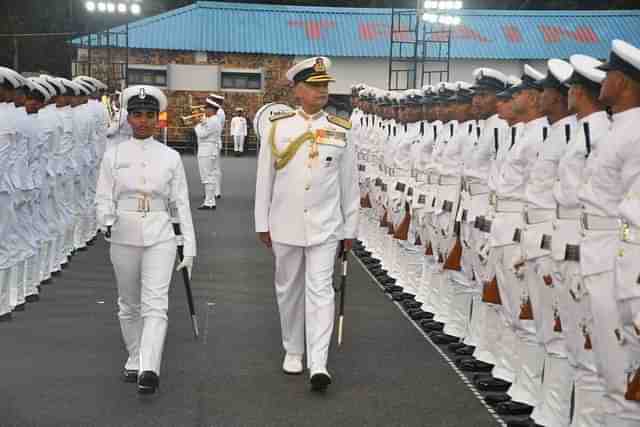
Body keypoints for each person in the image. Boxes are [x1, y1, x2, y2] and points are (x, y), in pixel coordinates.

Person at [254, 56, 359, 391]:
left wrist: (350, 229)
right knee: (288, 289)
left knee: (321, 291)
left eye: (325, 86)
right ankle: (293, 349)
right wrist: (261, 221)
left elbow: (349, 185)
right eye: (314, 87)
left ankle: (319, 362)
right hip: (284, 222)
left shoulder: (342, 131)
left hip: (326, 226)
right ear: (297, 89)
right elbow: (264, 179)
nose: (322, 92)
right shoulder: (278, 128)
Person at [96, 85, 196, 395]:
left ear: (158, 118)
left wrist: (189, 245)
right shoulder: (113, 155)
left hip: (160, 233)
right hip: (124, 232)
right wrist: (106, 220)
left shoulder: (170, 157)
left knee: (156, 304)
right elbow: (103, 196)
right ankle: (135, 355)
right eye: (137, 115)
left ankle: (150, 367)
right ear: (128, 117)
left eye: (149, 115)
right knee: (129, 303)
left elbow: (181, 203)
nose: (142, 121)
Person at [194, 96, 222, 210]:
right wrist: (202, 123)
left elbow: (201, 134)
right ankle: (210, 201)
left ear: (212, 110)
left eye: (206, 108)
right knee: (208, 175)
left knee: (207, 176)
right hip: (209, 148)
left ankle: (209, 202)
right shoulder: (212, 120)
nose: (204, 110)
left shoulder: (213, 121)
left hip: (207, 149)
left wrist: (197, 125)